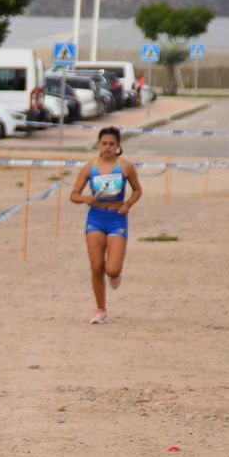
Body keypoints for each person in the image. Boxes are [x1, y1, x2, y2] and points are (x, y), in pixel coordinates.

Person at [70, 127, 143, 324]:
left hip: (116, 219)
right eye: (104, 143)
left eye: (112, 144)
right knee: (96, 266)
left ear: (118, 146)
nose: (108, 147)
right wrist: (86, 198)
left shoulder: (125, 167)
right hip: (96, 218)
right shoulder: (89, 168)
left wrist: (128, 204)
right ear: (98, 145)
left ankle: (116, 273)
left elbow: (137, 190)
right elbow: (73, 195)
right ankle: (101, 309)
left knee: (111, 269)